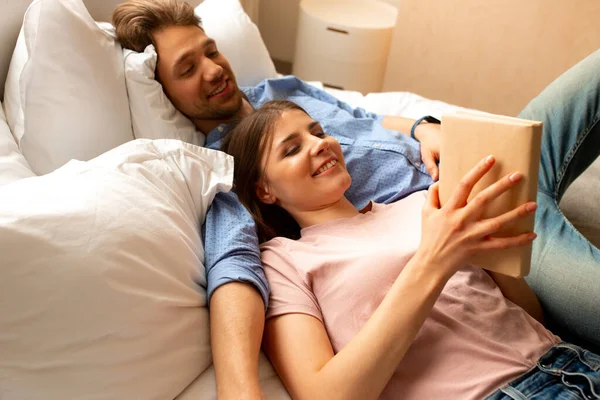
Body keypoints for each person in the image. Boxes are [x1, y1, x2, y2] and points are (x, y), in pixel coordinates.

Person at [111, 0, 600, 397]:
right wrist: (239, 388)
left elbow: (362, 114)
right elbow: (234, 267)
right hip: (466, 221)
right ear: (164, 91)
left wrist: (422, 127)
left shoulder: (286, 90)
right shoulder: (227, 168)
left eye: (210, 51)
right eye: (188, 68)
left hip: (473, 174)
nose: (213, 69)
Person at [222, 99, 600, 400]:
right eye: (291, 149)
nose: (320, 144)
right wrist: (434, 262)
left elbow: (529, 315)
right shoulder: (282, 261)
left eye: (318, 132)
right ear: (264, 191)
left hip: (574, 359)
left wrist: (487, 248)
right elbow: (327, 394)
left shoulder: (423, 202)